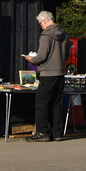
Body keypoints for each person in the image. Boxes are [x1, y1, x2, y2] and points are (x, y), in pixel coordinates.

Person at [24, 11, 70, 142]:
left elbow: (42, 56)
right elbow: (66, 55)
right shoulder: (64, 34)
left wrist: (31, 59)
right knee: (56, 103)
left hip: (47, 74)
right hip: (60, 73)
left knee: (42, 103)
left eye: (41, 24)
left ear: (44, 21)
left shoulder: (46, 35)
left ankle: (42, 132)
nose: (41, 27)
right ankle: (57, 133)